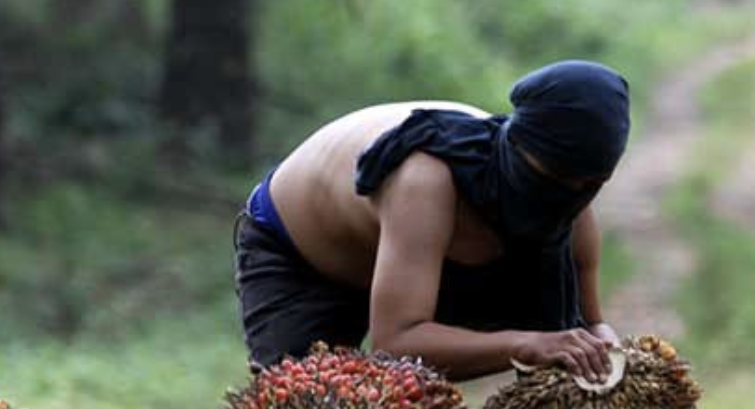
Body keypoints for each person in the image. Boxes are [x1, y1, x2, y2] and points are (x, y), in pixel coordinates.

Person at [232, 60, 629, 382]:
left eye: (591, 184)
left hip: (411, 264)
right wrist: (527, 345)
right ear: (518, 147)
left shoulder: (569, 205)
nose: (572, 194)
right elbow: (395, 346)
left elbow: (587, 326)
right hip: (304, 253)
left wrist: (607, 351)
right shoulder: (425, 179)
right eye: (556, 178)